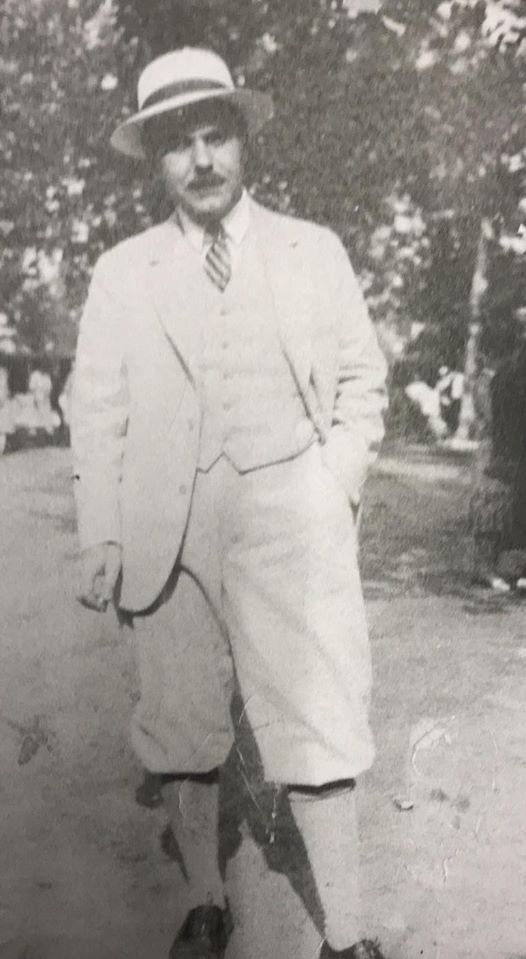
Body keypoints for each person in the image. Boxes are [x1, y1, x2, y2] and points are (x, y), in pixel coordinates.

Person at [71, 47, 388, 959]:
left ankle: (348, 934)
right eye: (180, 144)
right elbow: (97, 407)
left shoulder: (310, 251)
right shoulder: (123, 271)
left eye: (217, 137)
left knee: (319, 714)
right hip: (165, 526)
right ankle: (206, 902)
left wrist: (330, 486)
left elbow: (362, 383)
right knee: (181, 724)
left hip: (288, 508)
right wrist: (103, 533)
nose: (203, 160)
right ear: (155, 160)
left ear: (245, 141)